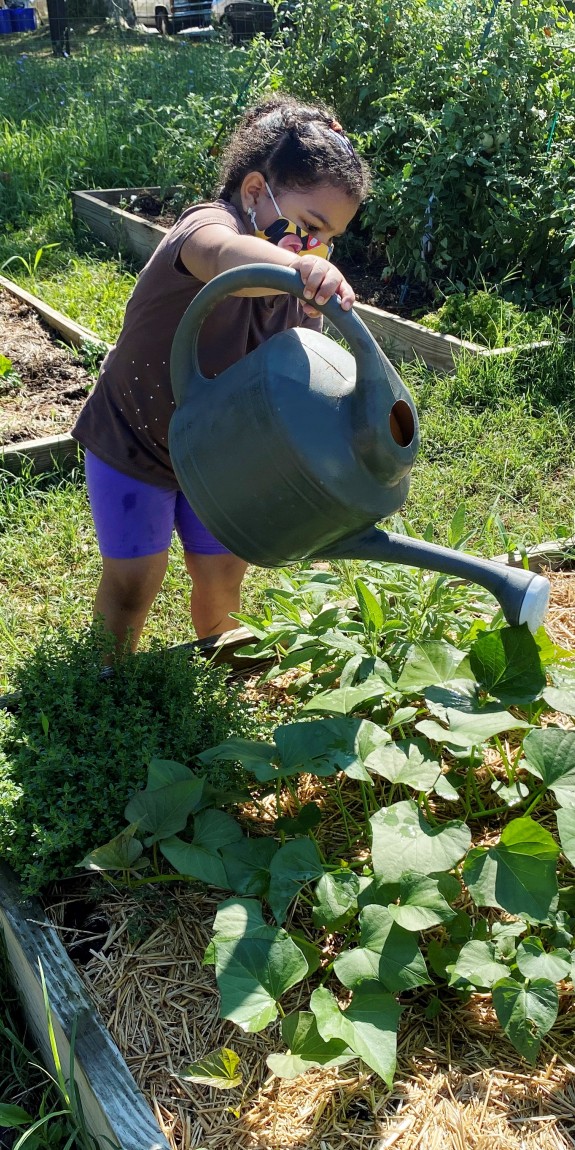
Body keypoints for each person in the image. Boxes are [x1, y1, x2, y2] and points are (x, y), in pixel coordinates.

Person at [72, 94, 371, 654]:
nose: (317, 247)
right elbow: (227, 258)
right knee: (134, 583)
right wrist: (300, 266)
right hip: (138, 438)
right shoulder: (208, 230)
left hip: (221, 453)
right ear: (256, 192)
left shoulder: (292, 282)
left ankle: (219, 658)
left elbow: (296, 377)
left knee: (224, 572)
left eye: (328, 237)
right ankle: (101, 685)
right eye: (308, 225)